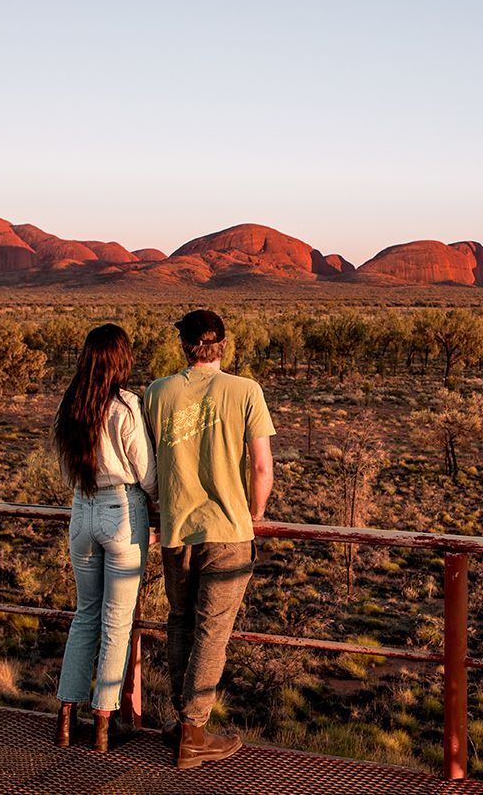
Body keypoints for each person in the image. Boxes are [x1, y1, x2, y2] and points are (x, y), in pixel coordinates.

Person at [143, 309, 274, 769]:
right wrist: (255, 512)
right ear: (223, 346)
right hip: (228, 531)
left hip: (177, 530)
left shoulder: (157, 392)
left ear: (184, 346)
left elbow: (150, 465)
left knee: (180, 622)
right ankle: (194, 733)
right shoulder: (245, 391)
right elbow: (261, 465)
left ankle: (183, 725)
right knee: (212, 633)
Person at [51, 323, 156, 752]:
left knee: (84, 616)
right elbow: (146, 472)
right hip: (121, 512)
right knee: (116, 622)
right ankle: (102, 723)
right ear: (120, 359)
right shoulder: (126, 406)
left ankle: (64, 716)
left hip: (81, 511)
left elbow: (64, 470)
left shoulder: (70, 404)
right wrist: (159, 513)